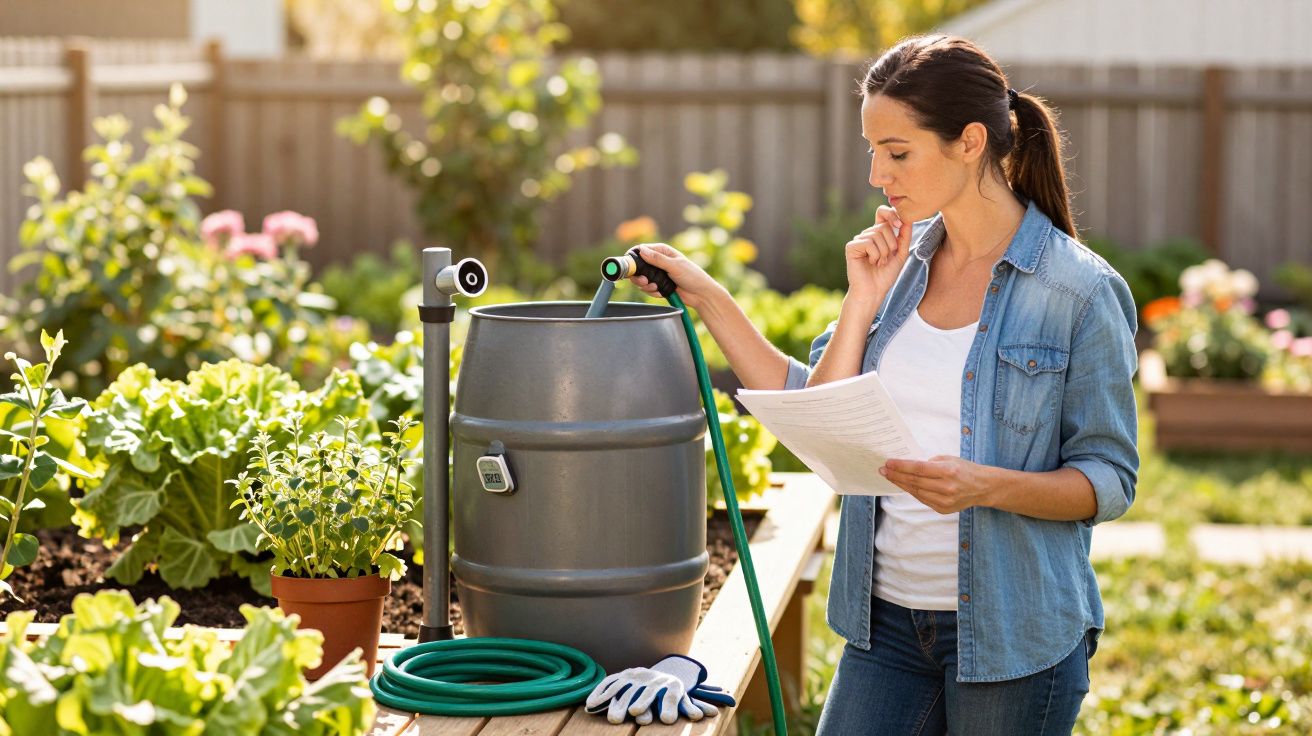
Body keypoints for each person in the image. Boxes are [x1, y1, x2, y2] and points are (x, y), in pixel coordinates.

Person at [626, 34, 1138, 735]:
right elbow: (819, 409)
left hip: (1015, 639)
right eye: (873, 150)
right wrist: (830, 298)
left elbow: (1109, 478)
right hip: (887, 629)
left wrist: (983, 485)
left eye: (897, 152)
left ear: (970, 142)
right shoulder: (898, 268)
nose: (877, 174)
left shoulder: (1077, 291)